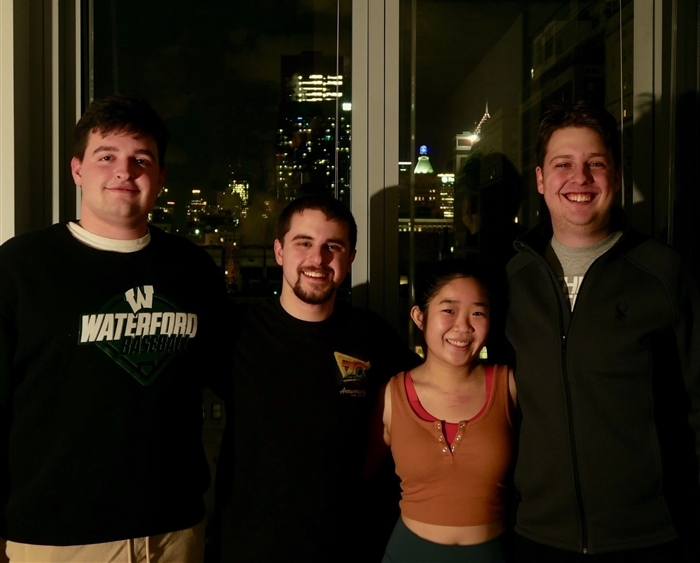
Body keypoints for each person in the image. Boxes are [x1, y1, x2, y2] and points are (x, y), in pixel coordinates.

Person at [0, 94, 226, 562]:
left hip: (174, 530)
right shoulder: (22, 265)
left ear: (160, 178)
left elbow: (235, 375)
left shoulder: (191, 268)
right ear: (78, 170)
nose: (125, 171)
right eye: (107, 157)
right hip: (56, 535)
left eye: (141, 160)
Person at [506, 101, 700, 561]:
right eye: (563, 165)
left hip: (651, 536)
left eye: (596, 163)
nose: (580, 178)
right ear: (540, 179)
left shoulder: (663, 273)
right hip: (536, 534)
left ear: (615, 174)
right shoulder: (512, 278)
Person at [212, 194, 420, 562]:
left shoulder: (372, 336)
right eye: (304, 243)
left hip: (350, 546)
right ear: (279, 251)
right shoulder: (236, 332)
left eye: (333, 246)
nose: (318, 259)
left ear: (350, 257)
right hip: (247, 547)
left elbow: (427, 397)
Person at [369, 259, 516, 563]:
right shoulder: (391, 394)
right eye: (448, 310)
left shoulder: (510, 385)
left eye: (477, 312)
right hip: (408, 554)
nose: (463, 326)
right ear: (419, 317)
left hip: (492, 554)